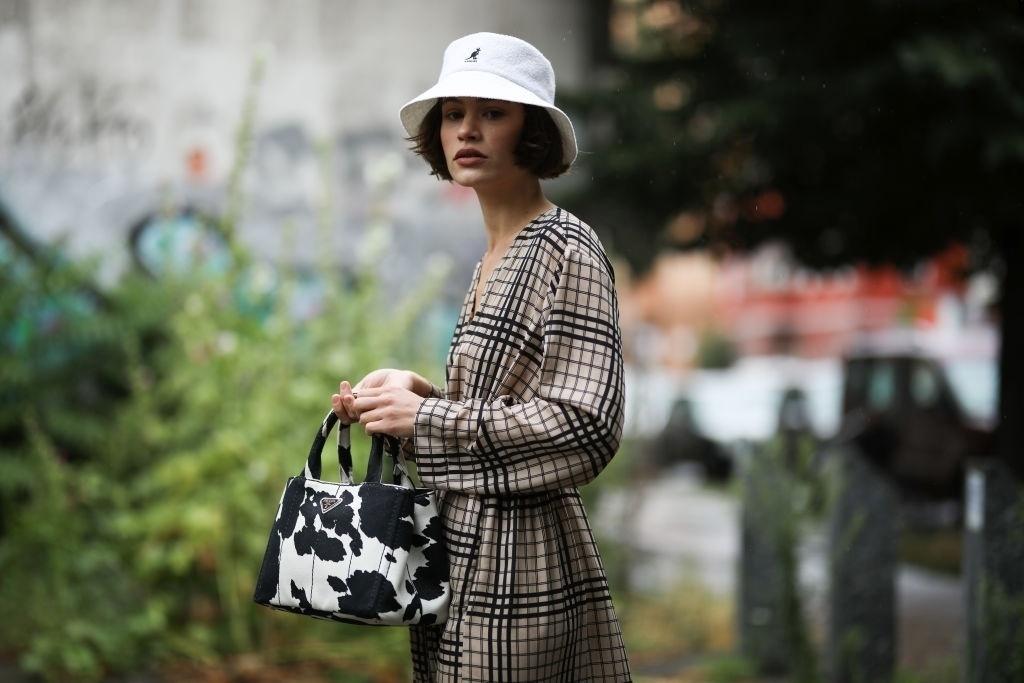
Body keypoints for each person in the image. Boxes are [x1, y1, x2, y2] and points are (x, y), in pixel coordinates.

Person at [331, 32, 631, 682]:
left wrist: (428, 419)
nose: (467, 130)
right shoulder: (493, 254)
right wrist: (412, 401)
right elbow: (505, 409)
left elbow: (586, 427)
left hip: (524, 570)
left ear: (533, 132)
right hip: (459, 554)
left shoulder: (567, 248)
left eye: (492, 112)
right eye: (453, 113)